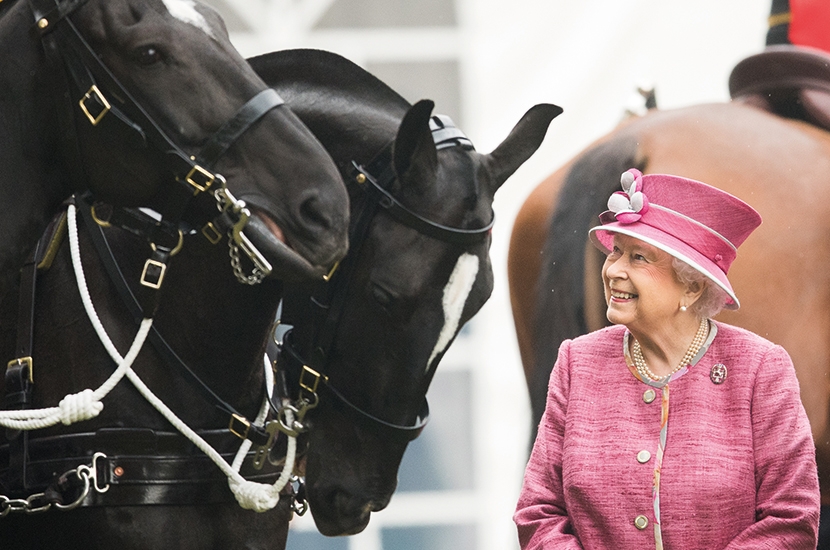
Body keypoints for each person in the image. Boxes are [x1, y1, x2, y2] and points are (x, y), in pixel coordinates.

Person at [514, 168, 820, 549]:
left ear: (691, 287)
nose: (613, 271)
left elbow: (792, 518)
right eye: (616, 252)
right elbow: (538, 510)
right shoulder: (578, 362)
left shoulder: (760, 368)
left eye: (639, 257)